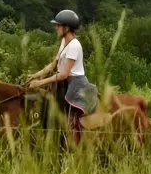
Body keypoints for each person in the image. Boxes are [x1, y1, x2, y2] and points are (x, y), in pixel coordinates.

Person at [27, 9, 98, 142]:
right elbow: (54, 64)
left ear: (67, 28)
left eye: (58, 25)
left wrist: (39, 83)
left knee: (69, 118)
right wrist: (36, 75)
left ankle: (74, 142)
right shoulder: (64, 42)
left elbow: (64, 74)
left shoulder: (74, 46)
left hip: (74, 84)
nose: (56, 28)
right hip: (62, 82)